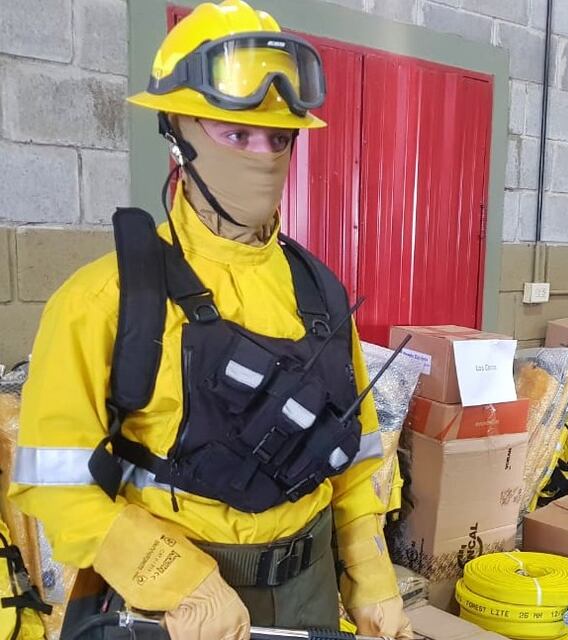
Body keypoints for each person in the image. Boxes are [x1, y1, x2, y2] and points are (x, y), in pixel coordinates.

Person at [8, 2, 413, 638]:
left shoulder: (322, 293)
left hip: (309, 592)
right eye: (235, 135)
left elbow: (354, 459)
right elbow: (51, 484)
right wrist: (175, 580)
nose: (264, 156)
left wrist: (370, 573)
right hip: (173, 602)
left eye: (279, 138)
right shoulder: (108, 299)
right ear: (178, 133)